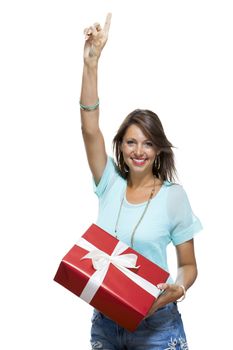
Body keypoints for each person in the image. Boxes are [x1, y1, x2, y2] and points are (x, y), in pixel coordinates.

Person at [80, 13, 202, 350]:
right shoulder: (109, 184)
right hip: (106, 323)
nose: (139, 151)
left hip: (157, 324)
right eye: (131, 142)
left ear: (158, 149)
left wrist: (179, 287)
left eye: (148, 143)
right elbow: (89, 128)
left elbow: (189, 265)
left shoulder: (173, 197)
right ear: (120, 145)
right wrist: (91, 62)